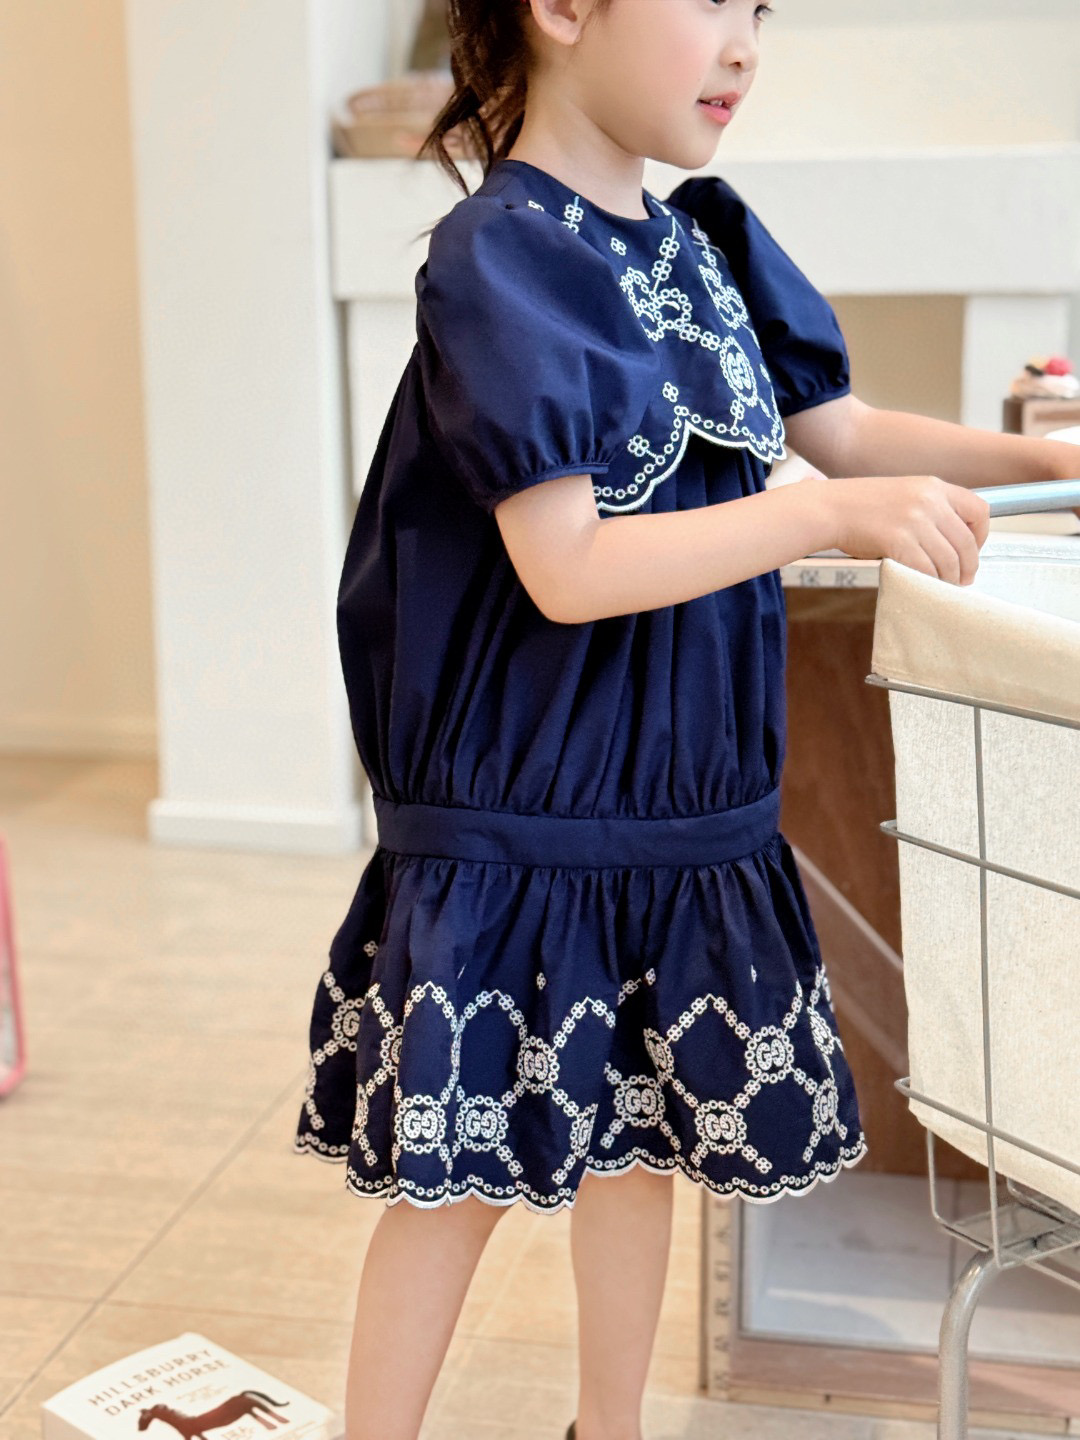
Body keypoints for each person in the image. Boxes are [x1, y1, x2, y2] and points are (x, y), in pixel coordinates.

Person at [293, 3, 1079, 1438]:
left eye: (760, 10)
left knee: (641, 1147)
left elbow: (846, 433)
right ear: (562, 9)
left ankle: (610, 1427)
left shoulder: (705, 243)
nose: (745, 45)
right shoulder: (498, 256)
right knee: (454, 1187)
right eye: (710, 0)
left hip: (681, 812)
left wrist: (1039, 459)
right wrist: (821, 517)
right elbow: (569, 566)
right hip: (526, 819)